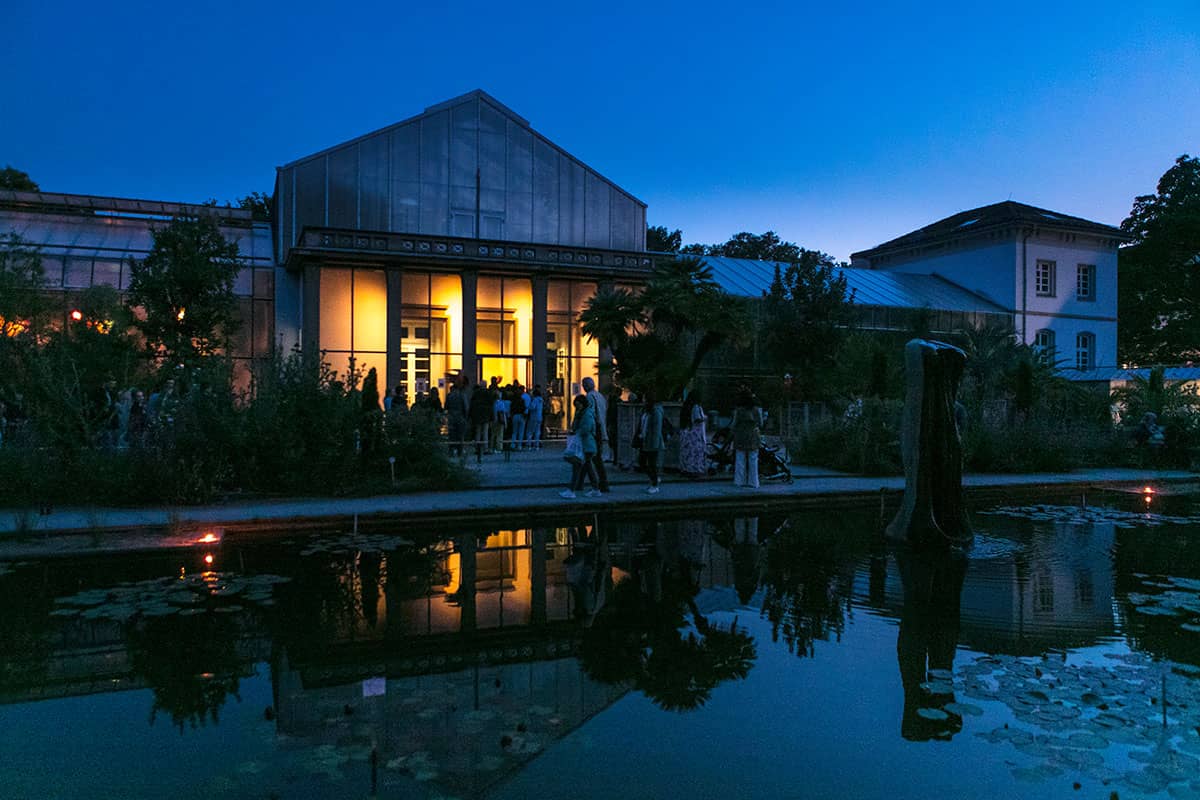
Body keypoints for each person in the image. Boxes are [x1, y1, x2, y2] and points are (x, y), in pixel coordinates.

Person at [561, 394, 599, 498]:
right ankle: (594, 488)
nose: (577, 407)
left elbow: (586, 429)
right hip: (584, 445)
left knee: (578, 467)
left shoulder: (587, 414)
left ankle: (572, 490)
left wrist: (576, 432)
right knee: (587, 467)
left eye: (578, 405)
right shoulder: (581, 413)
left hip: (586, 444)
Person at [731, 386, 763, 489]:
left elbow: (734, 424)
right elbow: (761, 423)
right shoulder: (756, 410)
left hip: (741, 435)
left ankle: (739, 481)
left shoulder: (739, 410)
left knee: (740, 458)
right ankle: (754, 482)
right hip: (753, 435)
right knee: (753, 459)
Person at [581, 377, 610, 492]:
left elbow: (591, 414)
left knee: (592, 458)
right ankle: (580, 482)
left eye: (583, 385)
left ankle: (601, 483)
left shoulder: (589, 397)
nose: (583, 387)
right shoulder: (600, 396)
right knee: (591, 458)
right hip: (600, 428)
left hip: (594, 430)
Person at [638, 392, 665, 494]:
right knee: (643, 462)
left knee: (651, 464)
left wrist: (654, 445)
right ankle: (655, 479)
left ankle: (654, 484)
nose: (643, 400)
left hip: (653, 443)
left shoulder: (656, 411)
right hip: (645, 441)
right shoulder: (646, 411)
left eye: (645, 399)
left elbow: (656, 430)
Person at [678, 392, 708, 478]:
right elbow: (697, 419)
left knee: (687, 452)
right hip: (696, 433)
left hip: (687, 431)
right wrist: (705, 418)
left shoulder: (686, 407)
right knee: (696, 452)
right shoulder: (696, 407)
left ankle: (685, 469)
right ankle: (695, 470)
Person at [468, 378, 493, 463]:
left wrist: (471, 415)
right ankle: (485, 448)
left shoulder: (476, 393)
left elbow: (472, 404)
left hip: (477, 415)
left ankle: (477, 447)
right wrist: (491, 416)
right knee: (485, 431)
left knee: (478, 432)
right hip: (485, 415)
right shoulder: (488, 393)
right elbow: (491, 405)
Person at [445, 377, 469, 458]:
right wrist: (466, 417)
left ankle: (451, 451)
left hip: (451, 417)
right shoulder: (462, 395)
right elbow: (466, 407)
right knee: (460, 436)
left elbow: (446, 407)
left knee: (451, 436)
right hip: (460, 417)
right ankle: (460, 451)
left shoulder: (449, 395)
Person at [510, 383, 528, 450]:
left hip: (515, 416)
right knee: (521, 432)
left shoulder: (513, 401)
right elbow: (524, 408)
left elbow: (511, 409)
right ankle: (519, 445)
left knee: (514, 431)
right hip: (521, 416)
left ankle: (513, 444)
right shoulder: (522, 400)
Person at [527, 385, 544, 449]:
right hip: (539, 417)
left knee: (530, 431)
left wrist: (528, 407)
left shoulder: (535, 400)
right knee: (537, 431)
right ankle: (536, 445)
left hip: (534, 417)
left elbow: (533, 407)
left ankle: (529, 444)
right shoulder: (541, 400)